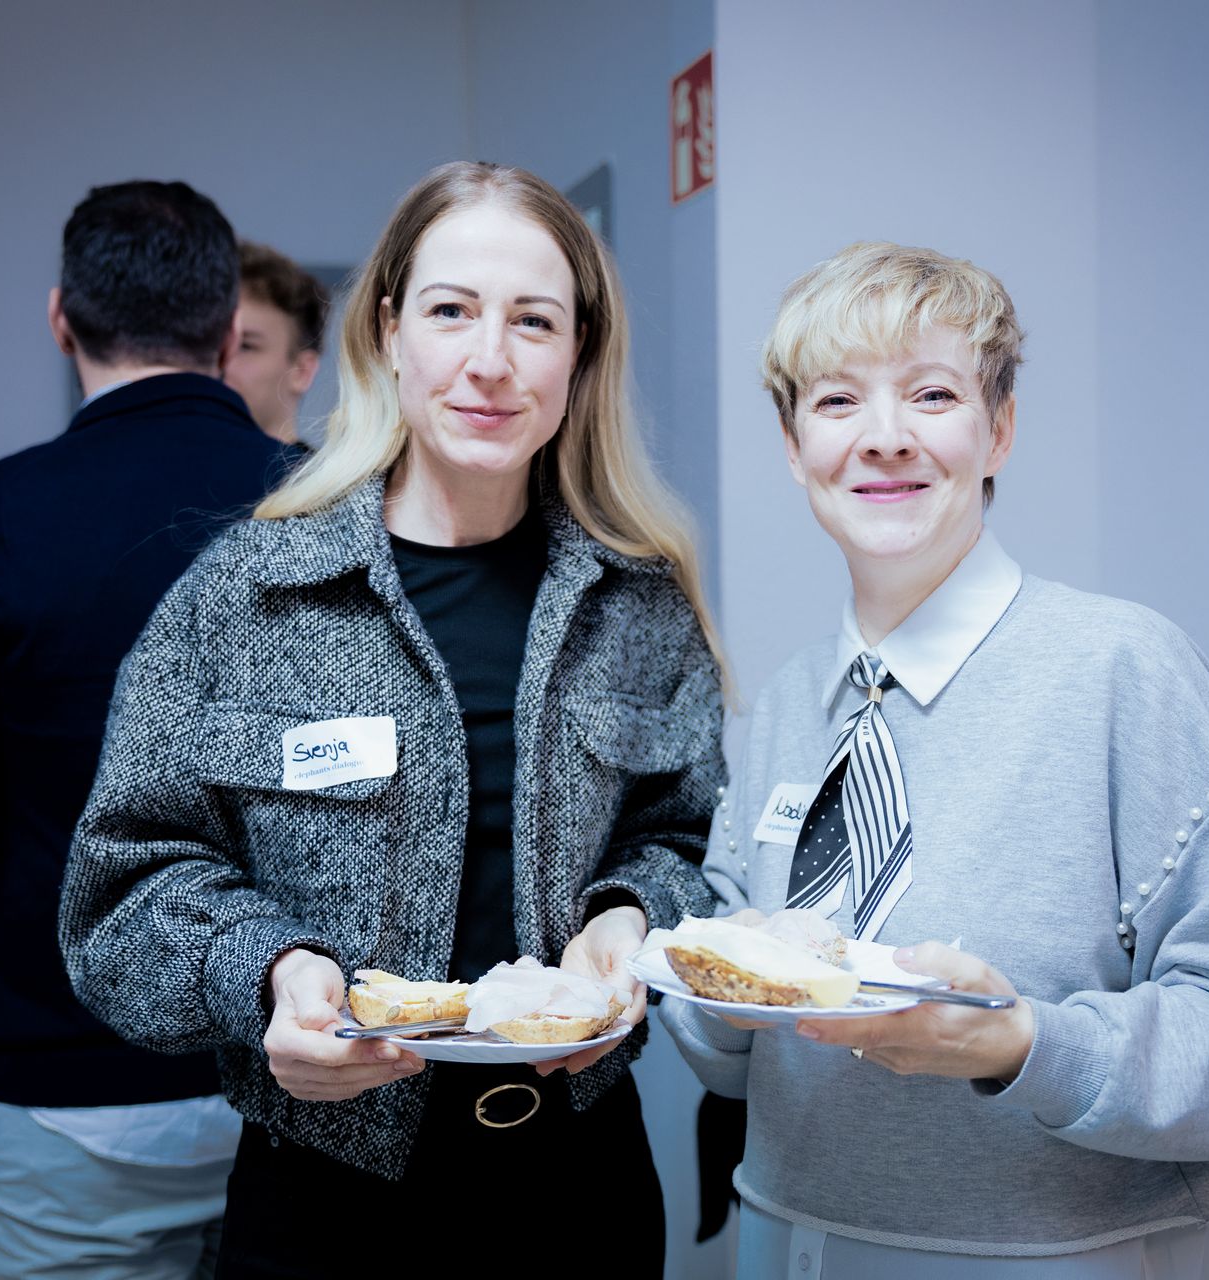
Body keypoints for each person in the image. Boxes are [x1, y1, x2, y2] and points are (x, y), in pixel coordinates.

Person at [59, 160, 725, 1278]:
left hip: (582, 1190)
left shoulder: (641, 600)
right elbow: (121, 885)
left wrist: (629, 915)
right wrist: (270, 971)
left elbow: (687, 834)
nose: (490, 360)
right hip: (328, 1201)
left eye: (534, 320)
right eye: (452, 310)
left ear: (580, 353)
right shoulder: (251, 592)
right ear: (388, 332)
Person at [660, 242, 1209, 1277]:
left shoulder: (1124, 669)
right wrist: (713, 985)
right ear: (793, 442)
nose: (884, 438)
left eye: (932, 394)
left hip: (1070, 1253)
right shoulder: (784, 709)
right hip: (786, 1236)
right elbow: (728, 1054)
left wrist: (1023, 1044)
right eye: (839, 401)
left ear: (1000, 428)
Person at [0, 181, 290, 1278]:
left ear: (60, 320)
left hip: (75, 1088)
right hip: (318, 1079)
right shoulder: (333, 510)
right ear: (232, 329)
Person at [221, 240, 330, 447]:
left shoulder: (337, 480)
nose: (219, 362)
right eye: (210, 344)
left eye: (245, 346)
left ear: (302, 371)